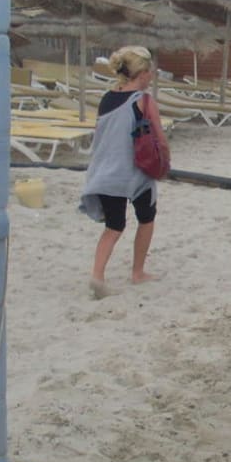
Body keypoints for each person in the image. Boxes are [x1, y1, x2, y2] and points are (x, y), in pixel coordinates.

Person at [80, 45, 168, 298]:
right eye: (150, 72)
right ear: (142, 73)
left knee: (114, 227)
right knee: (146, 218)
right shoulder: (144, 101)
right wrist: (165, 163)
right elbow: (159, 138)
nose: (152, 76)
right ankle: (138, 272)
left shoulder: (107, 98)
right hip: (137, 172)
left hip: (105, 172)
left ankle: (97, 275)